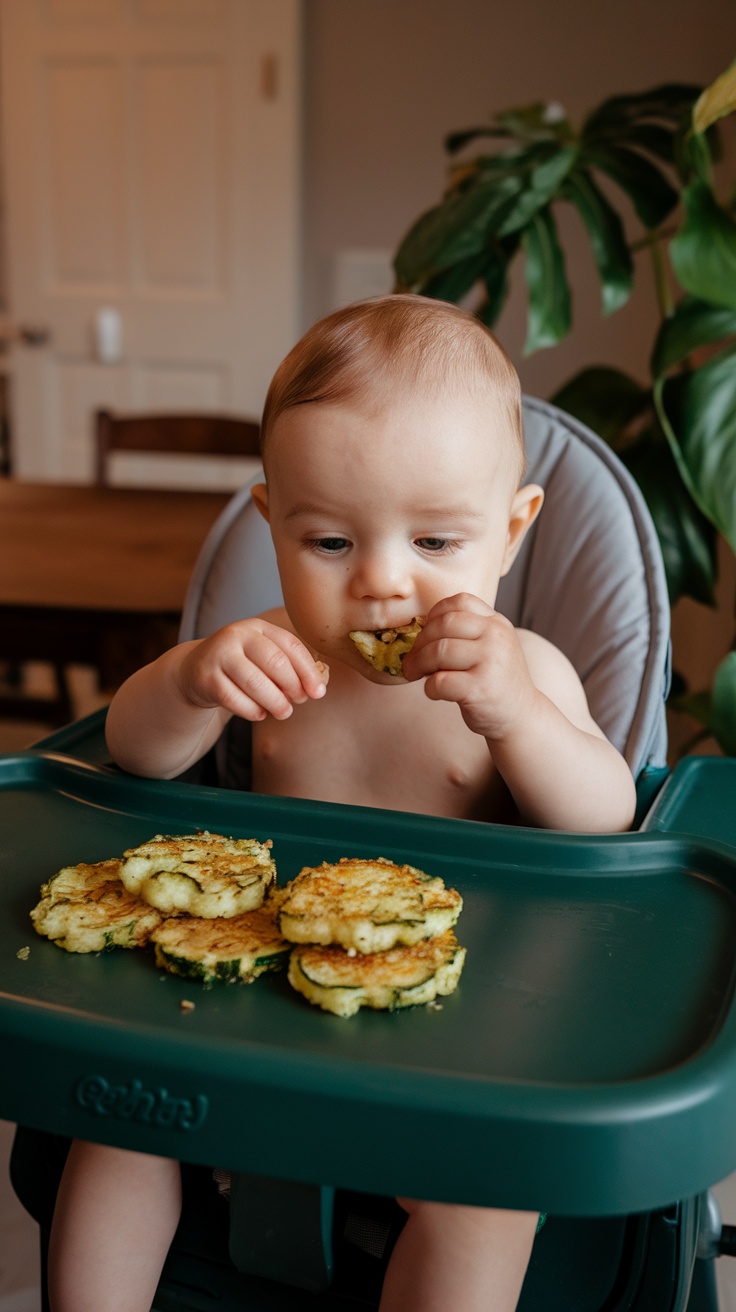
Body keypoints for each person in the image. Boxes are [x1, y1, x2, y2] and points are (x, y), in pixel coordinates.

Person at [47, 294, 637, 1312]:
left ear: (510, 532)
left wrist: (515, 720)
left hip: (468, 1027)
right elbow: (133, 757)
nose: (380, 585)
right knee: (117, 1120)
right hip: (256, 992)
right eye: (330, 544)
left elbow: (608, 817)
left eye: (437, 543)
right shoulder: (267, 652)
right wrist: (190, 677)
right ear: (272, 519)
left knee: (483, 1203)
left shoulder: (522, 671)